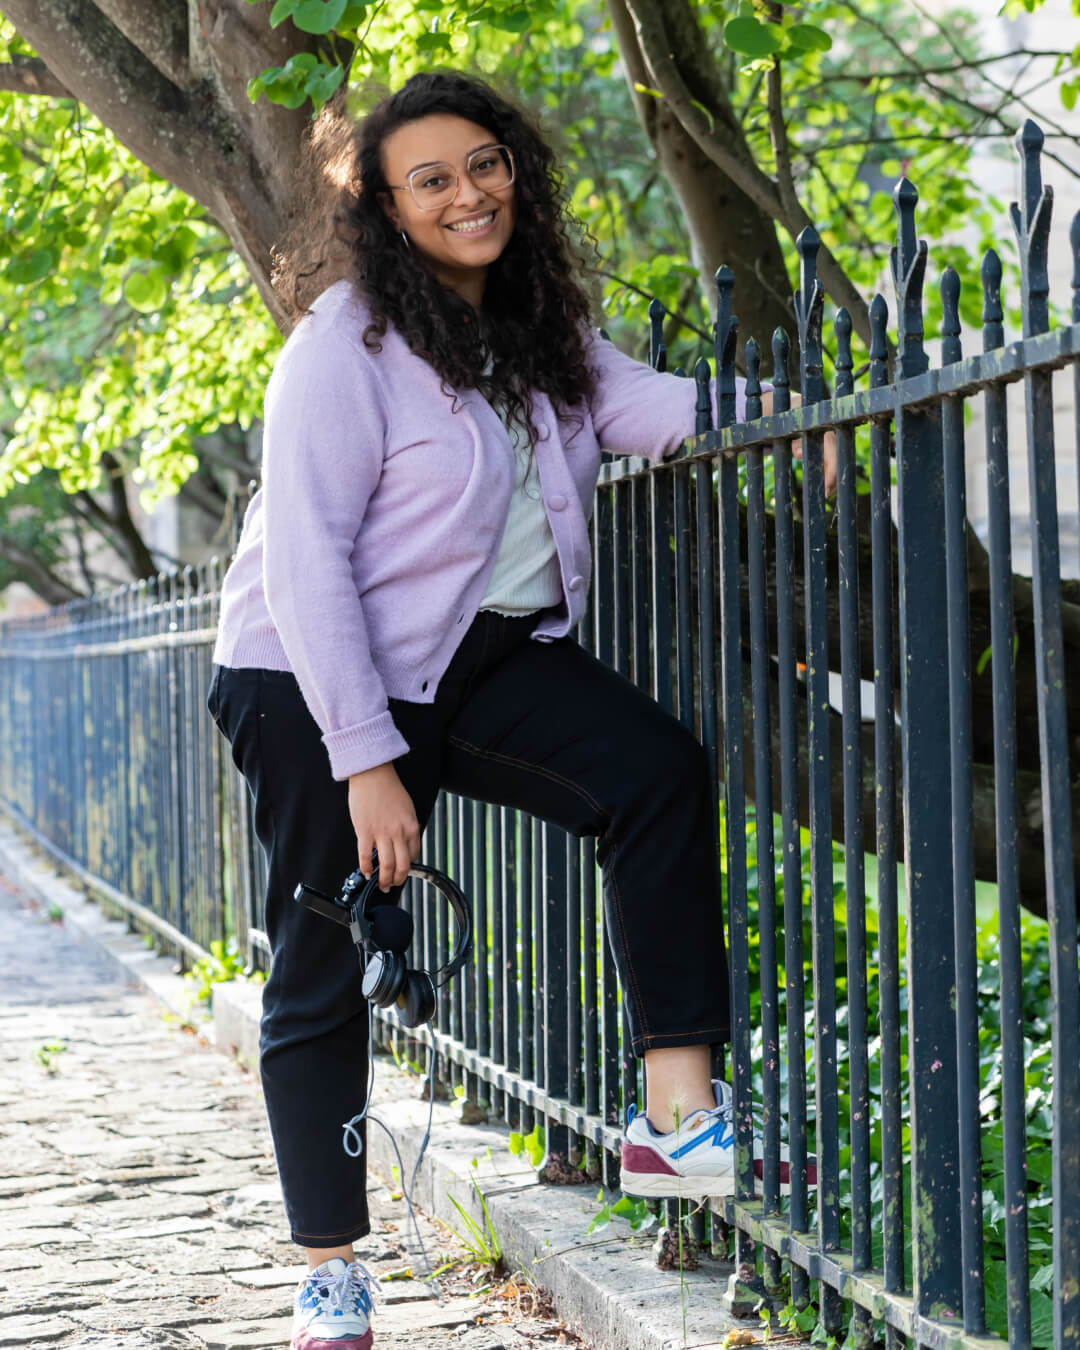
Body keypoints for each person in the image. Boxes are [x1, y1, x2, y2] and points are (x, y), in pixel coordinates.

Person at [206, 69, 819, 1350]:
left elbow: (648, 404)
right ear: (385, 205)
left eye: (484, 163)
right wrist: (365, 757)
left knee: (650, 771)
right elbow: (307, 558)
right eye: (430, 177)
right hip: (313, 678)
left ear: (516, 172)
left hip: (478, 664)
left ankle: (676, 1123)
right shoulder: (347, 344)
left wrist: (789, 413)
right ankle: (330, 1267)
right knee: (325, 962)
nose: (466, 192)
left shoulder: (536, 332)